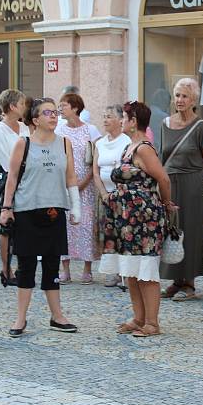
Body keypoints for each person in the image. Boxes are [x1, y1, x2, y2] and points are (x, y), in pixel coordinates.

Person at [0, 98, 80, 337]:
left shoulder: (65, 143)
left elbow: (71, 177)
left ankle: (57, 316)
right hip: (27, 210)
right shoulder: (22, 144)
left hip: (54, 211)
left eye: (55, 112)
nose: (53, 116)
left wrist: (76, 207)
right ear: (35, 120)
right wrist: (6, 208)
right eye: (47, 113)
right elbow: (12, 178)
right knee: (26, 266)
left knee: (52, 265)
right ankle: (20, 318)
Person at [100, 101, 174, 338]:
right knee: (130, 269)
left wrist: (166, 203)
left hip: (144, 218)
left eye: (124, 117)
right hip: (126, 218)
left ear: (133, 122)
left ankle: (152, 323)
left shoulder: (144, 148)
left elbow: (163, 179)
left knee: (146, 269)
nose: (121, 121)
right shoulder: (129, 147)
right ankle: (139, 317)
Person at [160, 78, 203, 301]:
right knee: (172, 230)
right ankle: (175, 280)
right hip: (170, 183)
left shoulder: (200, 126)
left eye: (184, 96)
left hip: (192, 185)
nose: (179, 100)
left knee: (190, 231)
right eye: (177, 95)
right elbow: (162, 155)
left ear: (194, 100)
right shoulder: (165, 123)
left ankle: (189, 283)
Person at [56, 92, 102, 284]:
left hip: (87, 184)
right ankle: (65, 268)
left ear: (75, 108)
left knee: (86, 224)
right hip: (65, 185)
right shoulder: (59, 130)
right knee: (64, 225)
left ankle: (87, 268)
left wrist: (85, 180)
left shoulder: (91, 130)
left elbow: (96, 158)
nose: (60, 109)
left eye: (64, 105)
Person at [0, 89, 30, 286]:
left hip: (26, 180)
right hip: (8, 179)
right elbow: (7, 161)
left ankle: (21, 266)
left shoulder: (24, 127)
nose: (25, 107)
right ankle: (6, 269)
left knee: (23, 226)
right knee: (6, 228)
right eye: (22, 104)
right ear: (12, 106)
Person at [92, 104, 132, 288]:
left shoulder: (127, 142)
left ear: (120, 120)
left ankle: (125, 272)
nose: (105, 120)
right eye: (104, 116)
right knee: (107, 233)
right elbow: (95, 170)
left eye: (109, 116)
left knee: (122, 232)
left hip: (122, 195)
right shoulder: (99, 143)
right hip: (105, 194)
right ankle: (112, 271)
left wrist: (117, 192)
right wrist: (103, 192)